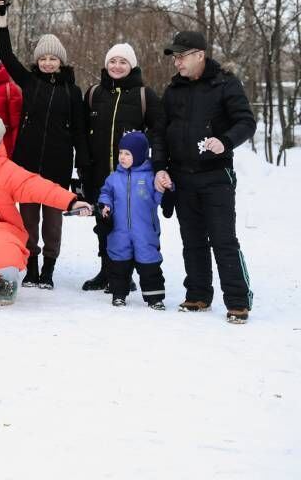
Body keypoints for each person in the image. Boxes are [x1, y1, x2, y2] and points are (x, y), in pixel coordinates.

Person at [152, 31, 255, 324]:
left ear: (200, 55)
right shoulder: (173, 91)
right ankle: (198, 294)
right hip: (182, 177)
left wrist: (226, 140)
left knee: (223, 240)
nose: (177, 62)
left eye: (182, 56)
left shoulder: (225, 84)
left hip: (216, 176)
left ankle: (237, 300)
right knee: (192, 240)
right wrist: (160, 166)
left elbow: (246, 121)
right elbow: (160, 131)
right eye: (174, 57)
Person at [0, 116, 92, 306]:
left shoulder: (5, 169)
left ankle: (8, 281)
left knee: (6, 261)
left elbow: (36, 186)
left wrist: (71, 202)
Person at [0, 0, 89, 290]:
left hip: (58, 166)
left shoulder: (73, 92)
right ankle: (31, 267)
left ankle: (48, 269)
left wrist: (83, 166)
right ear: (38, 61)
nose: (48, 63)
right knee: (28, 219)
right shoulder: (30, 82)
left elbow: (79, 131)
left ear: (61, 62)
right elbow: (7, 56)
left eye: (53, 59)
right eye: (44, 58)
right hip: (27, 163)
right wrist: (2, 21)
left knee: (52, 220)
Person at [79, 43, 162, 292]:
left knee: (132, 225)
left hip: (132, 177)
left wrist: (154, 164)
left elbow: (158, 131)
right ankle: (107, 271)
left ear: (132, 66)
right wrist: (82, 164)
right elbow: (81, 132)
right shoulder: (94, 93)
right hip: (99, 173)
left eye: (122, 62)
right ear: (106, 65)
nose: (117, 66)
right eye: (112, 61)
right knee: (104, 222)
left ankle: (128, 274)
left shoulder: (144, 95)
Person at [95, 132, 166, 309]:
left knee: (149, 263)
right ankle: (119, 294)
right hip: (119, 231)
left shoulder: (150, 177)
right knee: (119, 264)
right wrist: (105, 204)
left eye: (128, 154)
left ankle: (154, 297)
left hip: (145, 231)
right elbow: (106, 193)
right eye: (121, 153)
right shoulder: (114, 177)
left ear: (140, 154)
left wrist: (165, 188)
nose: (122, 157)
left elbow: (159, 198)